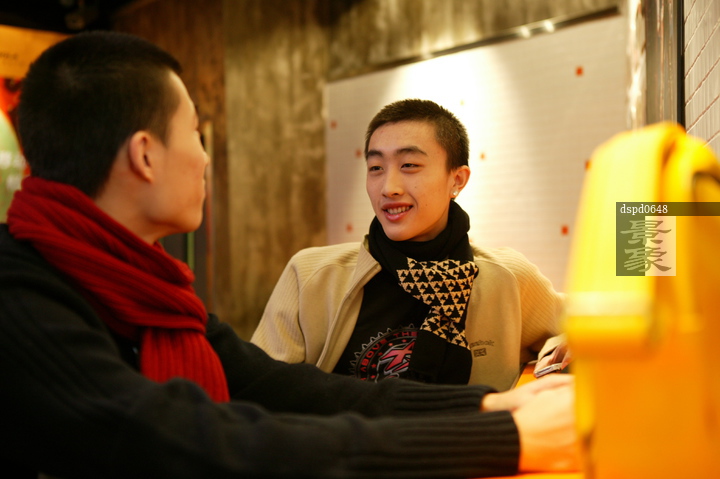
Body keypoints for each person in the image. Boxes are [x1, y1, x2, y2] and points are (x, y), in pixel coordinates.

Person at [0, 31, 578, 478]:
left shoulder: (149, 291)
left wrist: (490, 408)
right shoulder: (21, 297)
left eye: (410, 165)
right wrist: (499, 435)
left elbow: (296, 390)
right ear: (146, 155)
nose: (206, 158)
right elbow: (211, 439)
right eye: (195, 133)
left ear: (458, 179)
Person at [252, 99, 564, 391]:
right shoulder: (311, 276)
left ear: (457, 180)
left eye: (409, 165)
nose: (389, 188)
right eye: (376, 168)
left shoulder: (506, 278)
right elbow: (262, 390)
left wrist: (564, 345)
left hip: (470, 433)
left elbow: (578, 325)